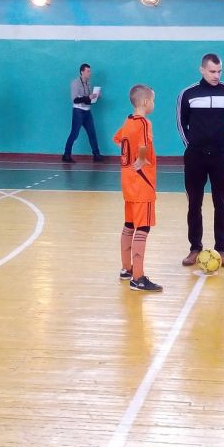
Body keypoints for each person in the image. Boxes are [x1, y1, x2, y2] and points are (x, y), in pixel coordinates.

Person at [176, 53, 224, 268]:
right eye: (212, 71)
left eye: (219, 71)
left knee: (220, 203)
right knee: (194, 203)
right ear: (202, 70)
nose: (216, 75)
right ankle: (194, 248)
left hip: (219, 156)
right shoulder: (188, 94)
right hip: (195, 156)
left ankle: (221, 249)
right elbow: (181, 122)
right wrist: (191, 145)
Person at [113, 84, 162, 292]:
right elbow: (142, 145)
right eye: (153, 101)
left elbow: (118, 139)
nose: (153, 104)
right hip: (142, 183)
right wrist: (141, 158)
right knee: (143, 228)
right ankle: (138, 278)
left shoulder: (128, 121)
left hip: (128, 182)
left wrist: (131, 154)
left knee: (129, 224)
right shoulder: (143, 123)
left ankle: (126, 269)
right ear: (145, 102)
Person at [62, 63, 103, 163]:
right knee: (74, 134)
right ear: (82, 72)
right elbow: (75, 100)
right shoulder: (75, 83)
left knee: (92, 133)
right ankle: (66, 155)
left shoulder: (88, 83)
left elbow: (88, 99)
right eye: (88, 71)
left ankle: (96, 155)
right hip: (78, 111)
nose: (90, 73)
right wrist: (89, 97)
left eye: (90, 71)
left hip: (87, 111)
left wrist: (96, 97)